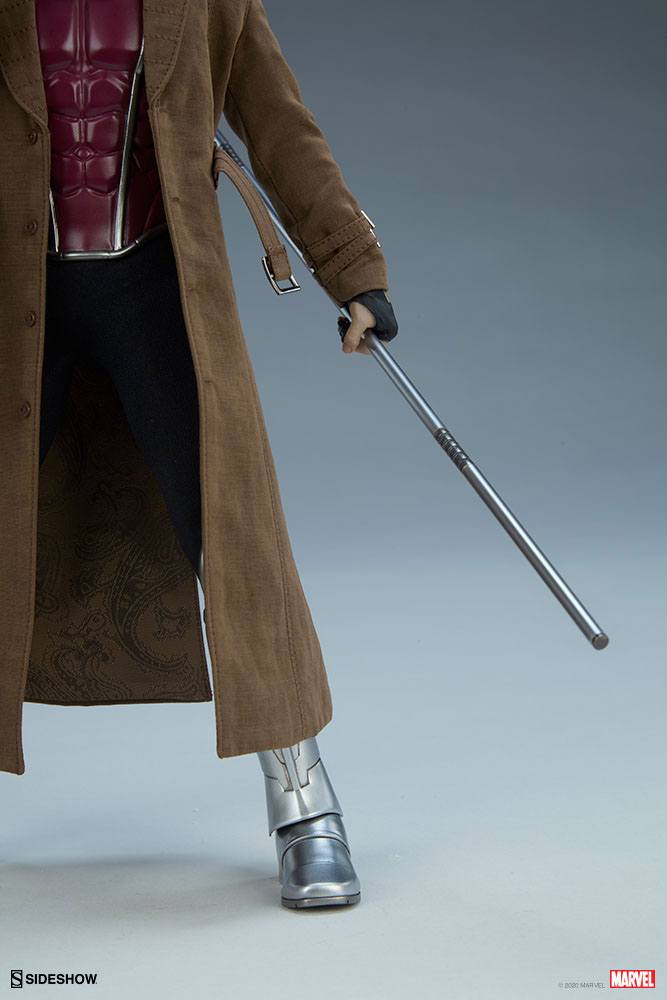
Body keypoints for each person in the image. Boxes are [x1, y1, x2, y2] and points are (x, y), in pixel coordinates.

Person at [0, 0, 396, 909]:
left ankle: (304, 803)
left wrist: (351, 268)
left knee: (235, 536)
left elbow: (275, 119)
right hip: (17, 282)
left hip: (156, 282)